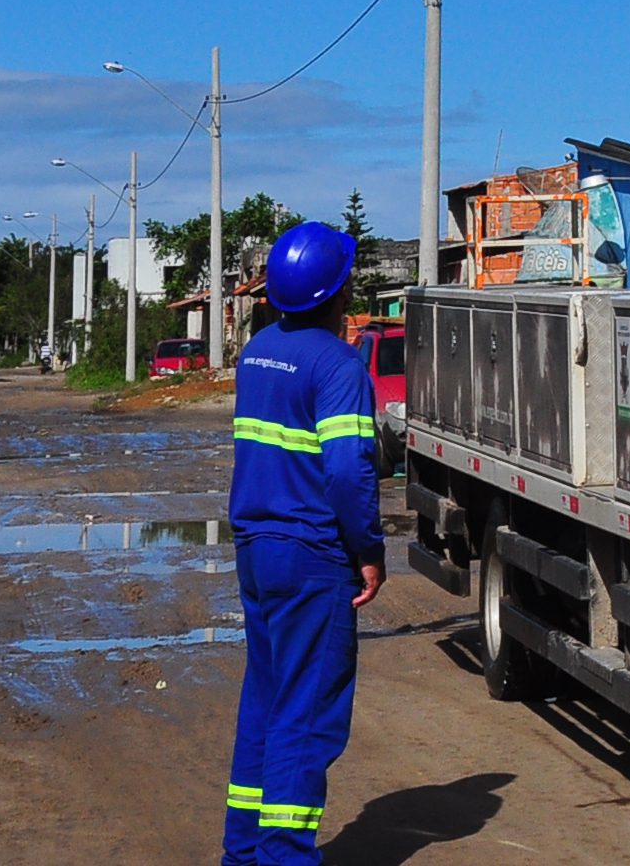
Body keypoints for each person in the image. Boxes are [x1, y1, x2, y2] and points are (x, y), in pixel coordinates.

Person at [222, 221, 383, 862]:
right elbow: (347, 470)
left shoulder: (257, 351)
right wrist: (367, 551)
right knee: (305, 714)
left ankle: (243, 853)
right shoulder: (339, 366)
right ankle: (284, 855)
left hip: (256, 550)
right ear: (339, 289)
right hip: (312, 556)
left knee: (264, 703)